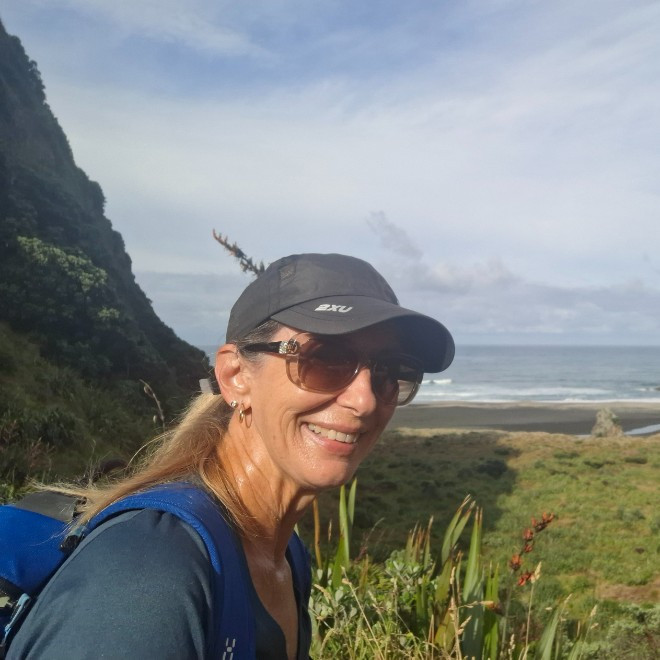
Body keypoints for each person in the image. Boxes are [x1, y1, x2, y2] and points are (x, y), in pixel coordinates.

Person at [8, 252, 454, 659]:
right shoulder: (150, 570)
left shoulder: (286, 554)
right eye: (326, 359)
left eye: (390, 371)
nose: (365, 400)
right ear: (236, 375)